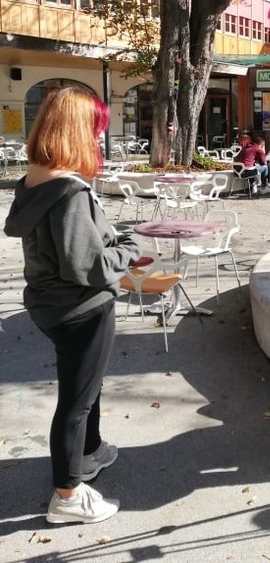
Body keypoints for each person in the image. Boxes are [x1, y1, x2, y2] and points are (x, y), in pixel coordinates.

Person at [4, 87, 142, 525]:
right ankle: (67, 495)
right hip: (81, 309)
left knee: (87, 387)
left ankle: (90, 451)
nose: (99, 138)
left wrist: (109, 234)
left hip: (51, 305)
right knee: (76, 401)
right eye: (96, 129)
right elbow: (91, 267)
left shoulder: (35, 181)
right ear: (78, 131)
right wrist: (131, 246)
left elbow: (72, 244)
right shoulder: (70, 190)